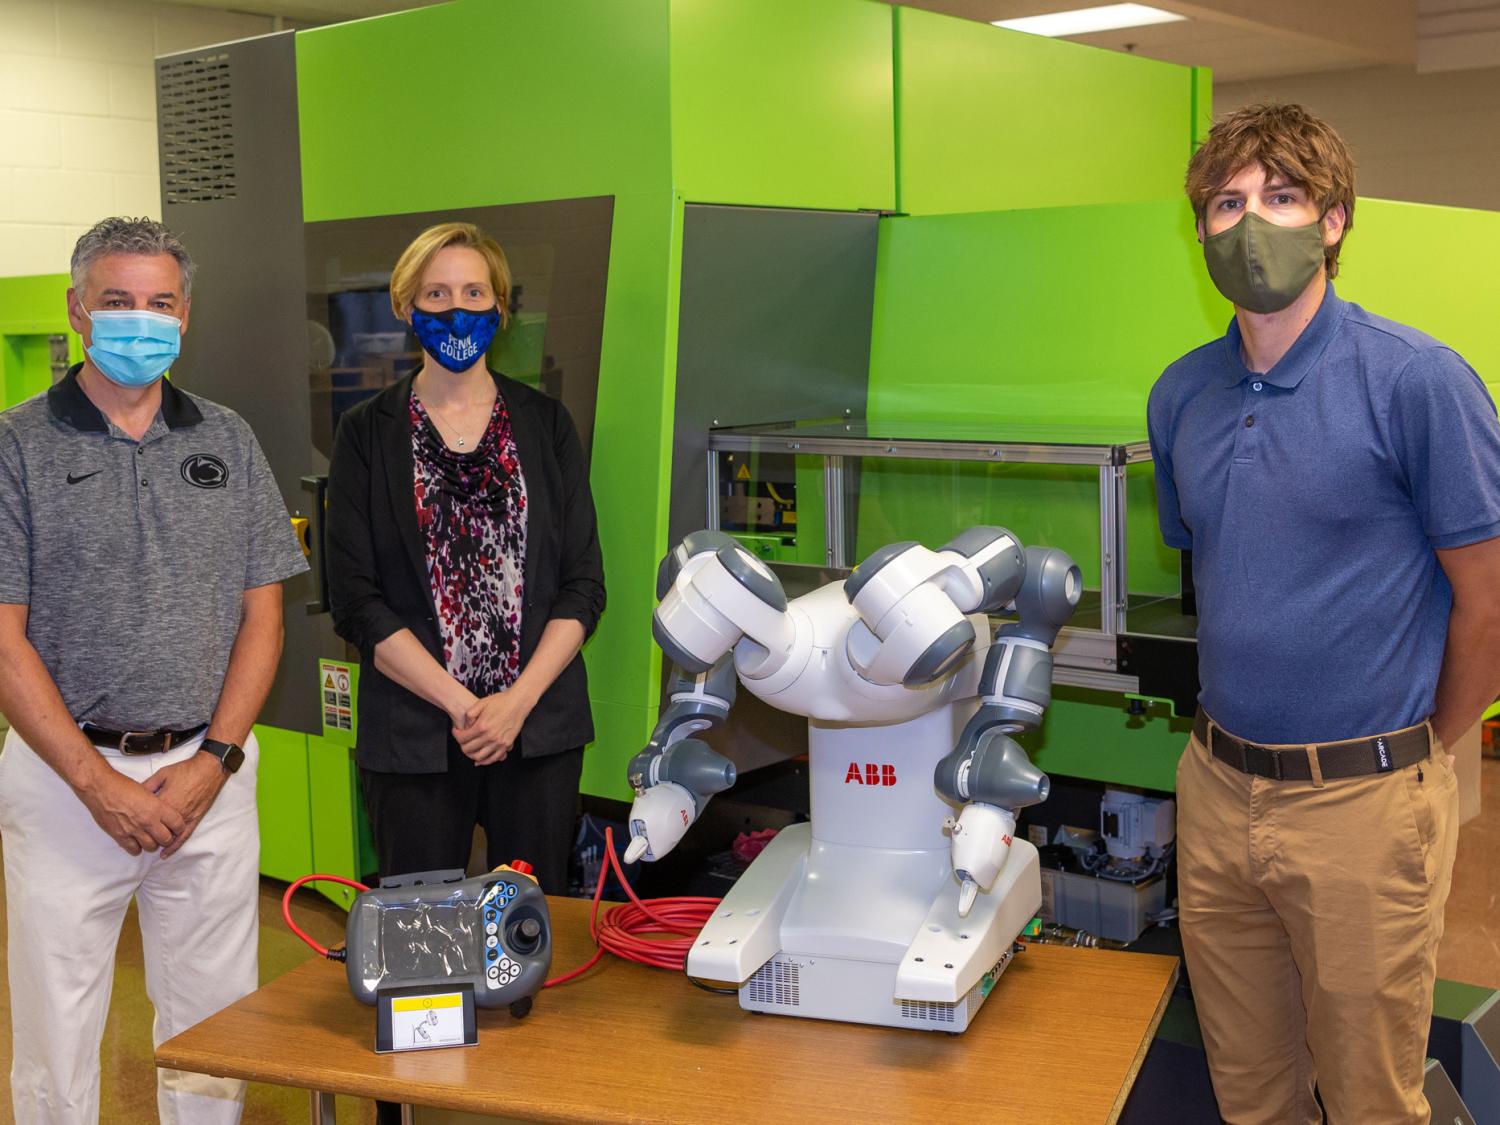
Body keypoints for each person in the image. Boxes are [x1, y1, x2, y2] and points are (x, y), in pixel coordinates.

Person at [1148, 103, 1500, 1123]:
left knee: (1369, 1097)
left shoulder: (1416, 381)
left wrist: (1426, 753)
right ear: (1201, 229)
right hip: (1216, 791)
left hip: (1364, 801)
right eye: (1227, 202)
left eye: (1283, 196)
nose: (1250, 222)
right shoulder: (1181, 397)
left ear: (1334, 221)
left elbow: (1487, 601)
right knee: (1250, 1091)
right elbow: (1217, 566)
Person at [0, 216, 309, 1124]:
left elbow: (264, 612)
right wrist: (99, 784)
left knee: (217, 1024)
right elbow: (2, 635)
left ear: (187, 315)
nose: (141, 320)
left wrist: (215, 760)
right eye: (118, 302)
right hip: (65, 782)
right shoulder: (16, 444)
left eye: (161, 303)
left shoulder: (229, 436)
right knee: (56, 1025)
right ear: (77, 310)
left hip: (205, 781)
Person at [326, 221, 604, 897]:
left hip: (536, 731)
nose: (458, 308)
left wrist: (515, 704)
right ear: (405, 306)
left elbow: (582, 585)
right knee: (421, 934)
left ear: (499, 307)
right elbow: (355, 599)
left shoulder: (544, 423)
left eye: (475, 291)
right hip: (416, 734)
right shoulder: (366, 433)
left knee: (528, 932)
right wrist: (463, 705)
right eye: (437, 291)